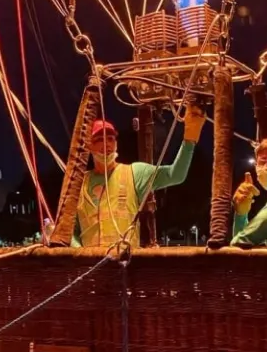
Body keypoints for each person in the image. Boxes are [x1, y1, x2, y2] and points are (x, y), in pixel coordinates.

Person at [73, 106, 205, 248]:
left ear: (116, 143)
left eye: (110, 139)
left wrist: (190, 137)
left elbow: (175, 175)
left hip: (125, 260)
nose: (106, 144)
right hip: (90, 261)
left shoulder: (134, 173)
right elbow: (70, 232)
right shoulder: (79, 184)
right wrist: (79, 253)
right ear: (89, 146)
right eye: (99, 139)